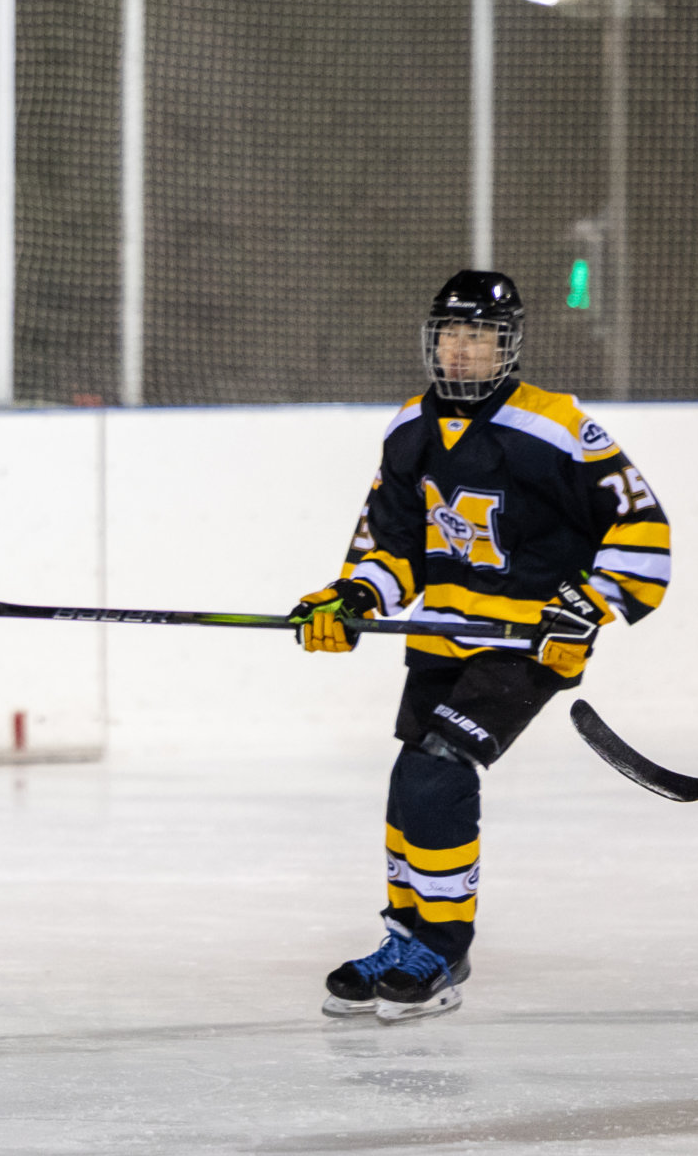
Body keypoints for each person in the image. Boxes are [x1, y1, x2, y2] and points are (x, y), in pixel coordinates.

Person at [289, 269, 674, 1021]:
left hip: (524, 643)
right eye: (450, 335)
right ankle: (405, 939)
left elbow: (642, 531)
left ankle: (442, 948)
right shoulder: (409, 429)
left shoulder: (556, 427)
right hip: (442, 636)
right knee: (410, 781)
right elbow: (394, 545)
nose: (461, 350)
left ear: (509, 345)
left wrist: (587, 605)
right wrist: (355, 596)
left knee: (438, 773)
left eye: (479, 336)